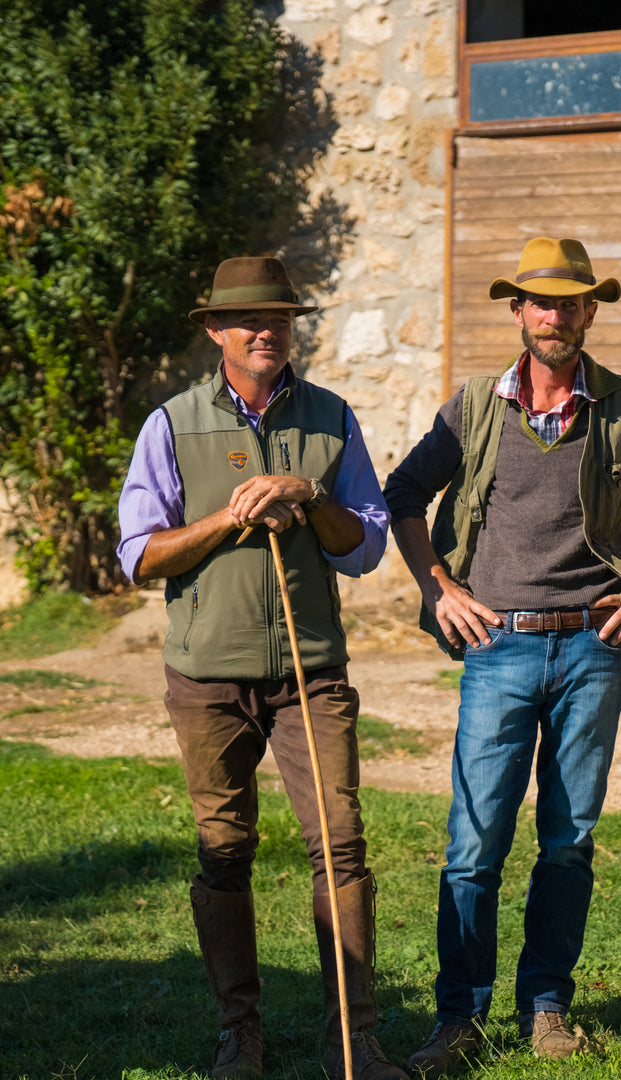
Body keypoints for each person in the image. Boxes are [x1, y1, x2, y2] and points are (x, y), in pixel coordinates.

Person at [383, 237, 621, 1075]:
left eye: (571, 301)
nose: (556, 316)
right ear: (518, 312)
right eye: (540, 302)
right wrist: (440, 586)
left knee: (568, 840)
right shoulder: (474, 407)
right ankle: (459, 1021)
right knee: (474, 842)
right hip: (498, 646)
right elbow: (403, 494)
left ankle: (547, 1007)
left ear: (591, 311)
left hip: (593, 646)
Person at [116, 257, 406, 1080]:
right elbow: (141, 556)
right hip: (206, 677)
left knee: (341, 848)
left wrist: (310, 494)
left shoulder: (330, 417)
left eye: (279, 318)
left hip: (311, 674)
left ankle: (354, 1038)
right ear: (216, 331)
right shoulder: (171, 424)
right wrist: (227, 518)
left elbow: (367, 545)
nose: (266, 331)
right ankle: (239, 1032)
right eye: (248, 320)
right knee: (224, 850)